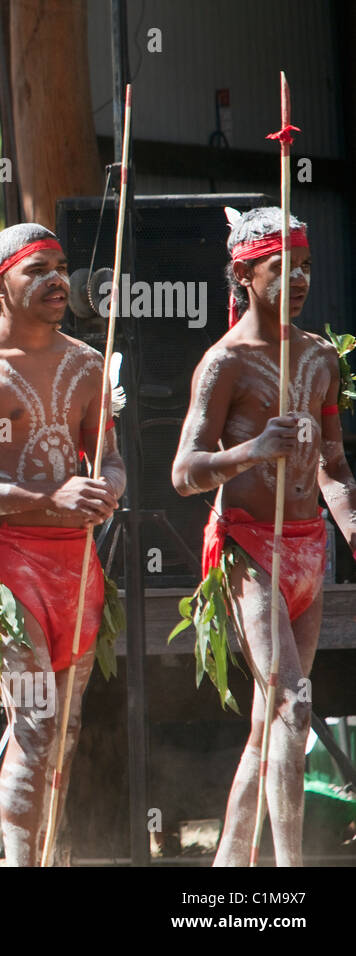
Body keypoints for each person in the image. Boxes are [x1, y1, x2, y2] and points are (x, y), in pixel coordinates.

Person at [0, 224, 124, 866]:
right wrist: (46, 499)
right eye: (36, 269)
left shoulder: (87, 362)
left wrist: (106, 489)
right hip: (6, 569)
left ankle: (44, 857)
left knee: (64, 732)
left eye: (61, 267)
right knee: (35, 726)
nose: (56, 280)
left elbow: (111, 460)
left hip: (76, 565)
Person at [171, 207, 355, 867]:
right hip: (250, 548)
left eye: (306, 266)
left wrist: (353, 525)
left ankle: (230, 866)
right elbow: (185, 473)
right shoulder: (224, 363)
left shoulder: (321, 356)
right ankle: (289, 874)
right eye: (284, 269)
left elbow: (333, 466)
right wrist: (251, 449)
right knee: (293, 711)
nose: (300, 279)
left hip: (309, 548)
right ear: (246, 275)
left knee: (269, 724)